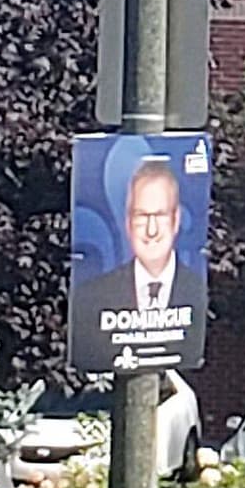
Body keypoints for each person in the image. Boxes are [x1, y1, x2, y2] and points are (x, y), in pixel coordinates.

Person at [69, 149, 203, 375]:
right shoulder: (92, 296)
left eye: (159, 215)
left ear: (176, 219)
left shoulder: (196, 290)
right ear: (128, 223)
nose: (151, 231)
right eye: (142, 216)